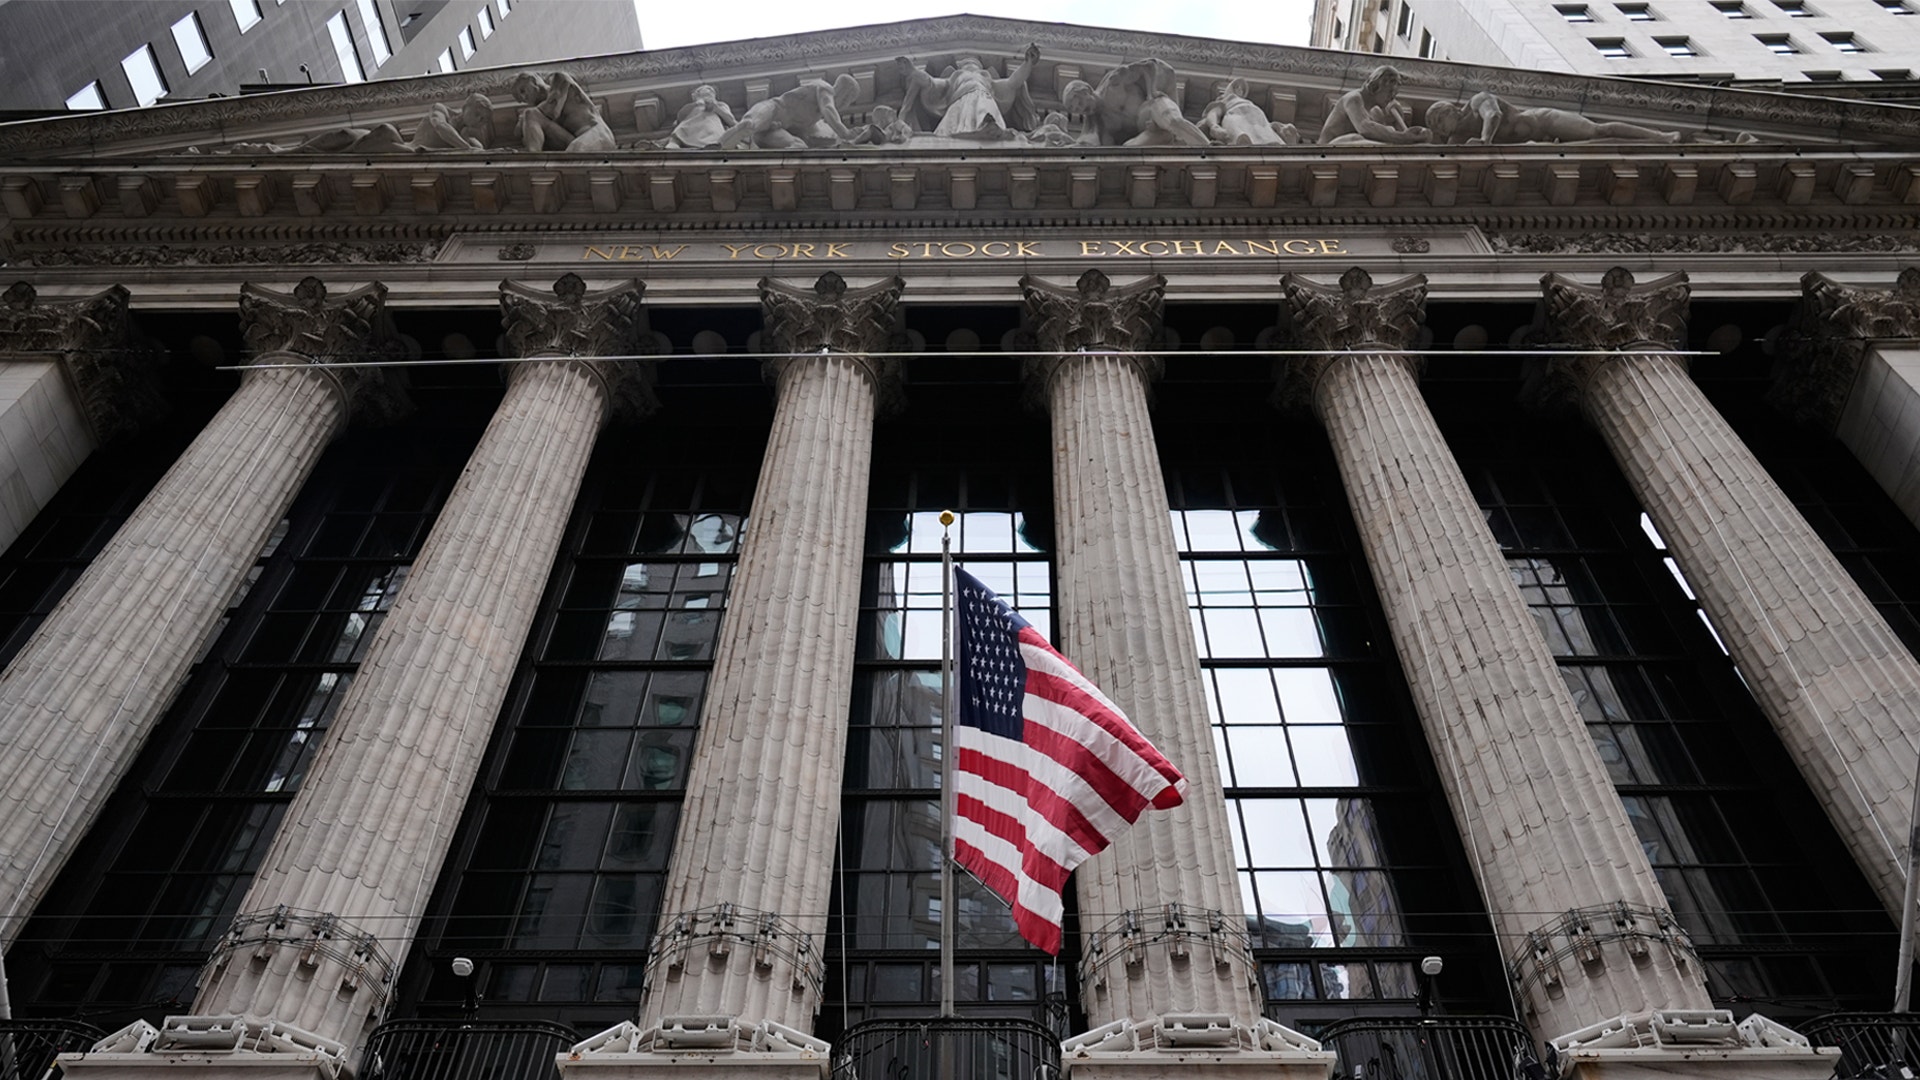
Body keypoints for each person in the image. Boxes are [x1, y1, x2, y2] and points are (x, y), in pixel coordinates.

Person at [896, 44, 1040, 139]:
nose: (970, 66)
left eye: (974, 65)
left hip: (984, 98)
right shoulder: (953, 80)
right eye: (966, 65)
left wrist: (1028, 63)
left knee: (985, 112)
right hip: (960, 102)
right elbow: (929, 83)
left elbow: (1013, 82)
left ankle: (986, 128)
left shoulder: (988, 81)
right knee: (953, 126)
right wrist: (912, 71)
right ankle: (964, 133)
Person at [1425, 91, 1680, 145]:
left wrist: (1484, 141)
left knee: (1598, 132)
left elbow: (1493, 115)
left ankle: (1661, 136)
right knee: (1597, 144)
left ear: (1449, 111)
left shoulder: (1477, 101)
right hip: (1536, 143)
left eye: (1438, 123)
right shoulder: (1458, 138)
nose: (1440, 131)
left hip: (1544, 121)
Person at [1060, 57, 1208, 147]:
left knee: (1173, 121)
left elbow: (1149, 66)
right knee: (1127, 151)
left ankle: (1208, 148)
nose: (1082, 110)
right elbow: (1086, 145)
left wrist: (1151, 92)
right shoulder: (1097, 124)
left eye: (1080, 103)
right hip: (1151, 133)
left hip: (1152, 108)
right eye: (1076, 110)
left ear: (1087, 90)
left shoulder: (1114, 83)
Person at [718, 75, 859, 149]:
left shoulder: (814, 119)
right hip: (772, 110)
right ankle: (720, 145)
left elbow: (814, 138)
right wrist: (845, 132)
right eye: (848, 99)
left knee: (799, 146)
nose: (845, 105)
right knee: (750, 125)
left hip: (769, 132)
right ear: (844, 91)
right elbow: (828, 108)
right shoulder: (824, 87)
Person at [1318, 65, 1429, 146]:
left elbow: (1384, 135)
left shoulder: (1376, 113)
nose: (1392, 97)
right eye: (1390, 91)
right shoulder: (1354, 98)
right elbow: (1365, 128)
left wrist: (1402, 129)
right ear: (1377, 85)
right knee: (1356, 138)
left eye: (1395, 94)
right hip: (1329, 150)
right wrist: (1403, 137)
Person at [513, 71, 614, 153]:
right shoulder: (537, 113)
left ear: (533, 81)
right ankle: (534, 160)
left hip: (596, 133)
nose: (524, 98)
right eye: (520, 99)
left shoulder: (559, 78)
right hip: (574, 141)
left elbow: (554, 110)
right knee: (530, 114)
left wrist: (523, 121)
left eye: (523, 91)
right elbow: (517, 133)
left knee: (575, 152)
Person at [1198, 78, 1295, 146]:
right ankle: (1242, 142)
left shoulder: (1250, 104)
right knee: (1240, 136)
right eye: (1237, 87)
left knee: (1265, 137)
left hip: (1257, 119)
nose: (1240, 90)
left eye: (1242, 89)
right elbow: (1213, 113)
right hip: (1236, 115)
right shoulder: (1225, 101)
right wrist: (1214, 126)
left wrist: (1277, 127)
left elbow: (1266, 123)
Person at [413, 93, 495, 150]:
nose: (478, 120)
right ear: (465, 108)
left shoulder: (469, 140)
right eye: (477, 114)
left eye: (483, 120)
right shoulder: (440, 109)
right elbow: (440, 126)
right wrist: (466, 148)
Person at [668, 85, 736, 149]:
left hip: (711, 124)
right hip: (692, 124)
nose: (709, 91)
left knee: (712, 129)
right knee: (682, 128)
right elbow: (681, 116)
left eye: (711, 91)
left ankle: (712, 145)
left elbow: (731, 121)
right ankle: (674, 143)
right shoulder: (693, 106)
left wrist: (715, 107)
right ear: (697, 95)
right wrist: (696, 104)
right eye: (705, 90)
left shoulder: (720, 105)